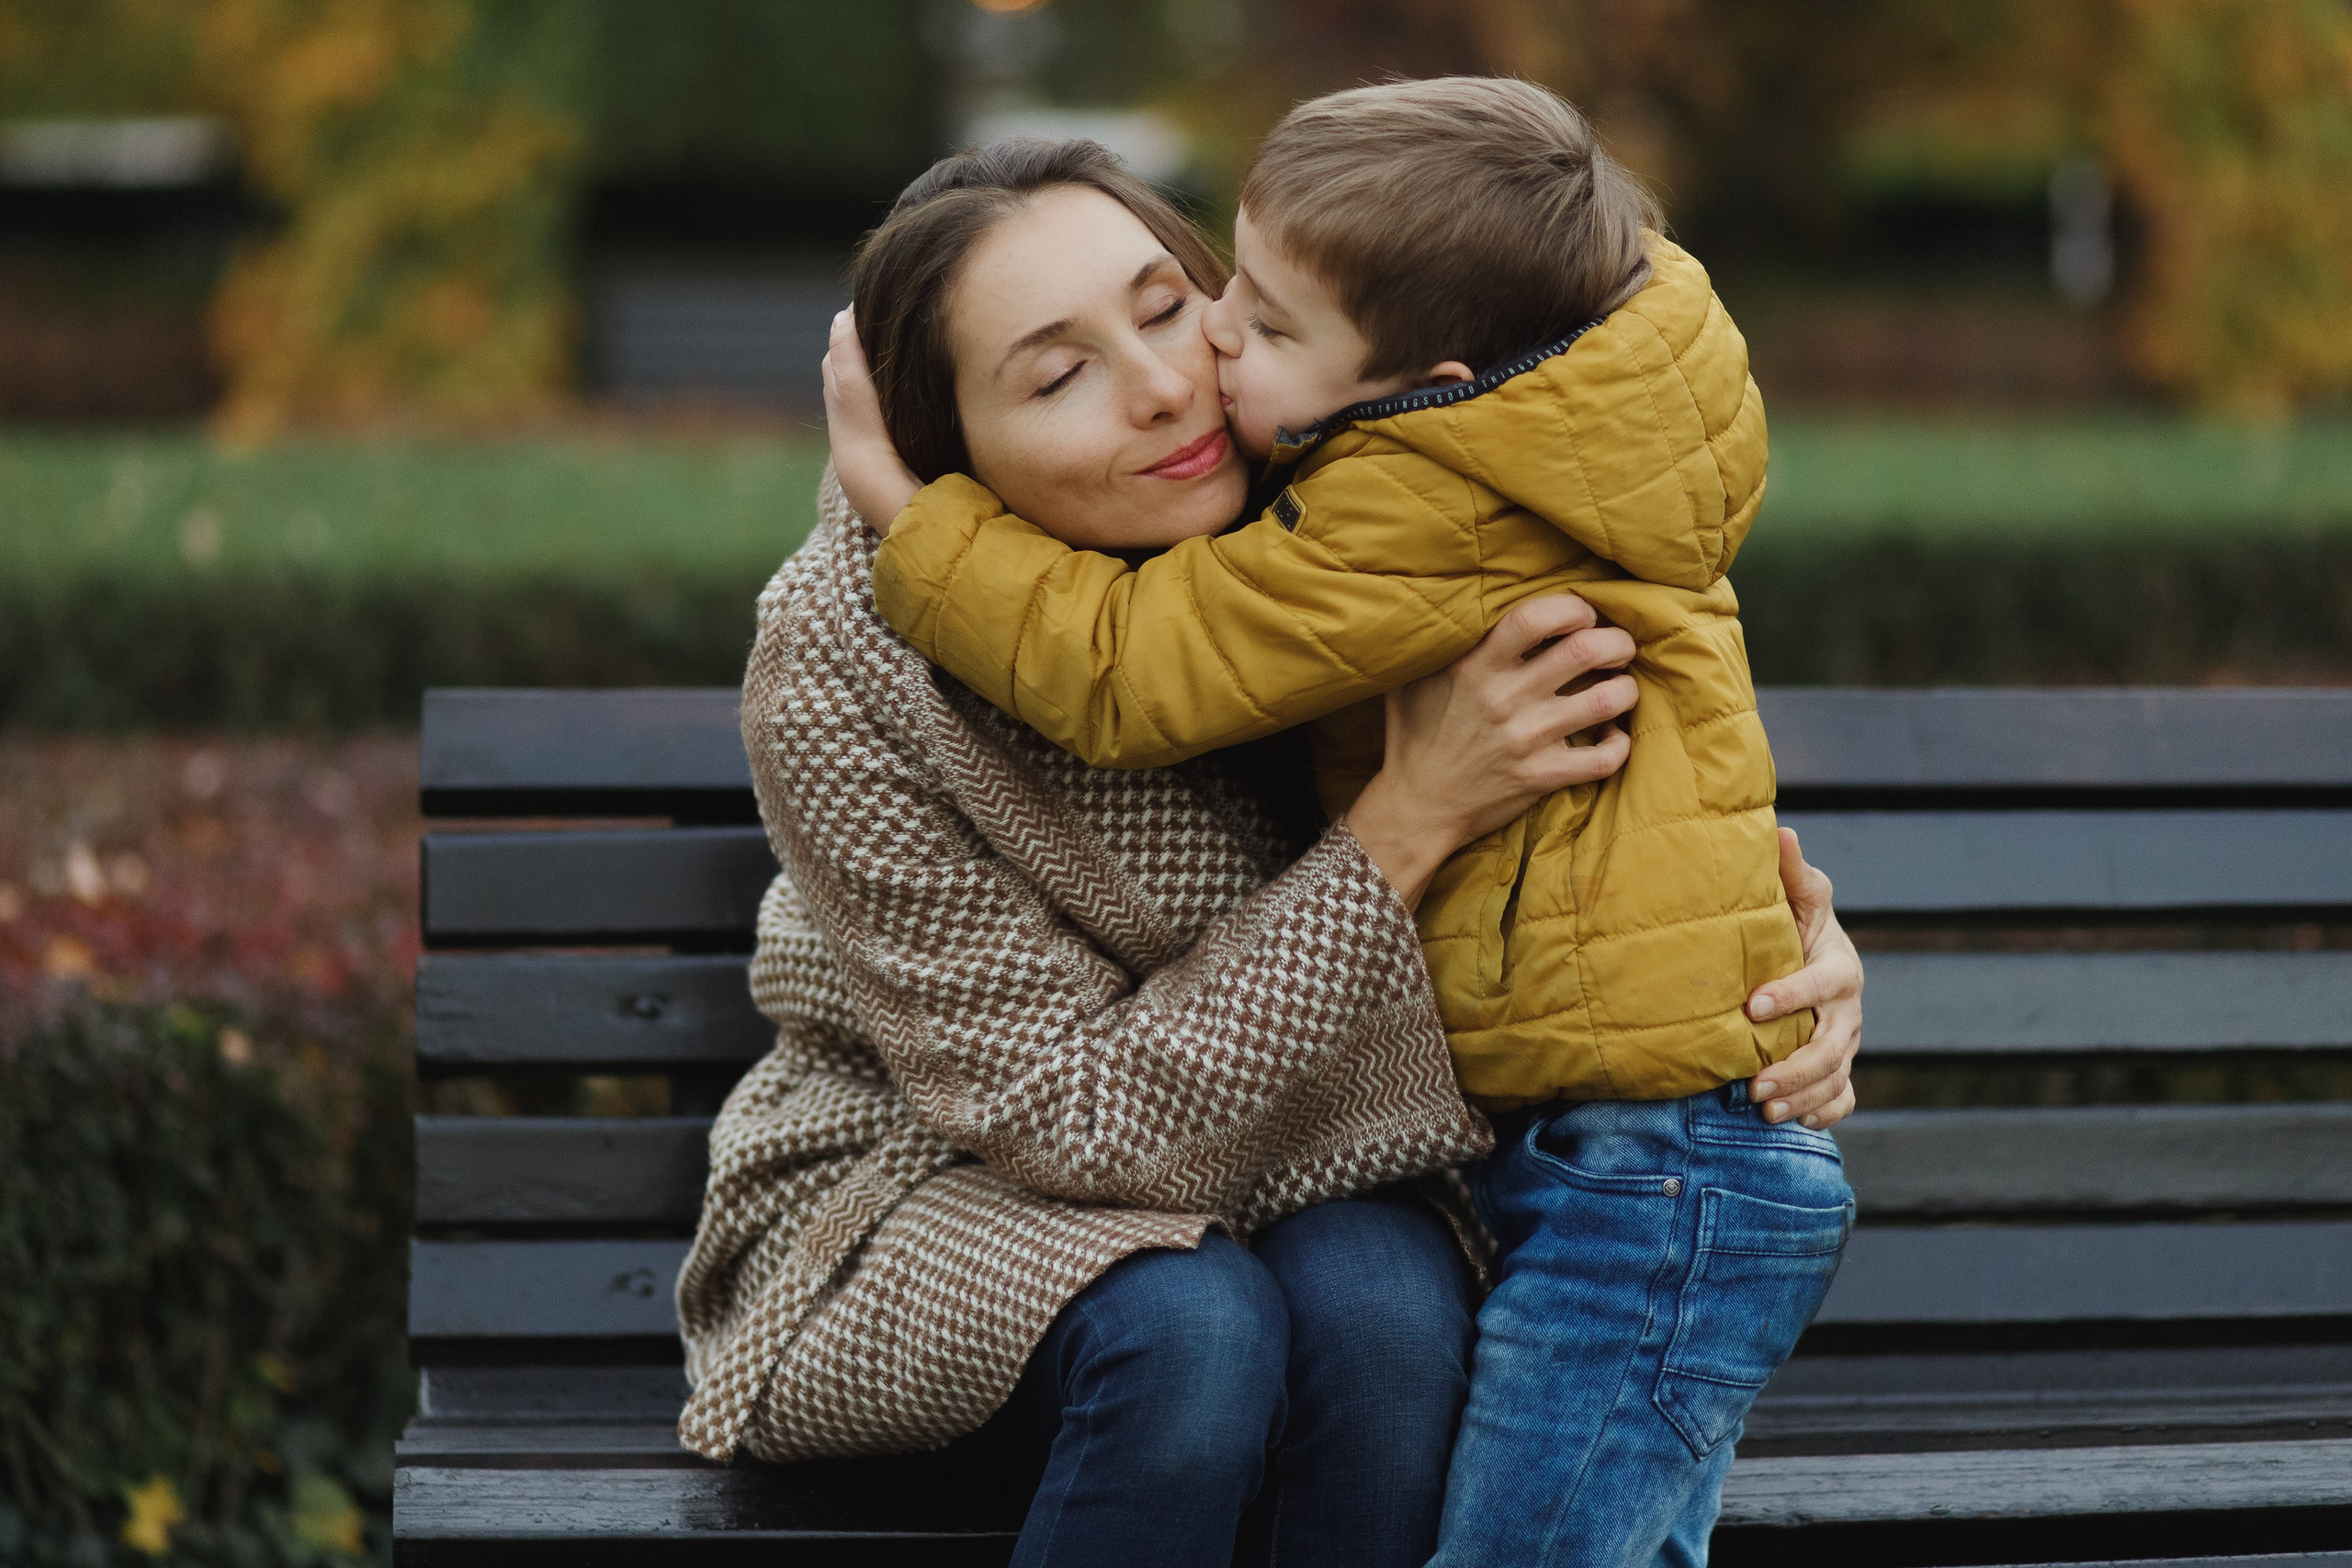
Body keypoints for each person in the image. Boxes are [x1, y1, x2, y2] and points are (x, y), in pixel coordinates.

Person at [679, 134, 1866, 1568]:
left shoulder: (1368, 499)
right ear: (947, 464)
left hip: (1329, 1142)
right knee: (1194, 1333)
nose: (1168, 384)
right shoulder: (843, 657)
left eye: (1170, 305)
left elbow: (1629, 821)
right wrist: (1410, 820)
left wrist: (1771, 980)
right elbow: (1072, 1130)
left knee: (1385, 1323)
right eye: (1057, 376)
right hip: (946, 1178)